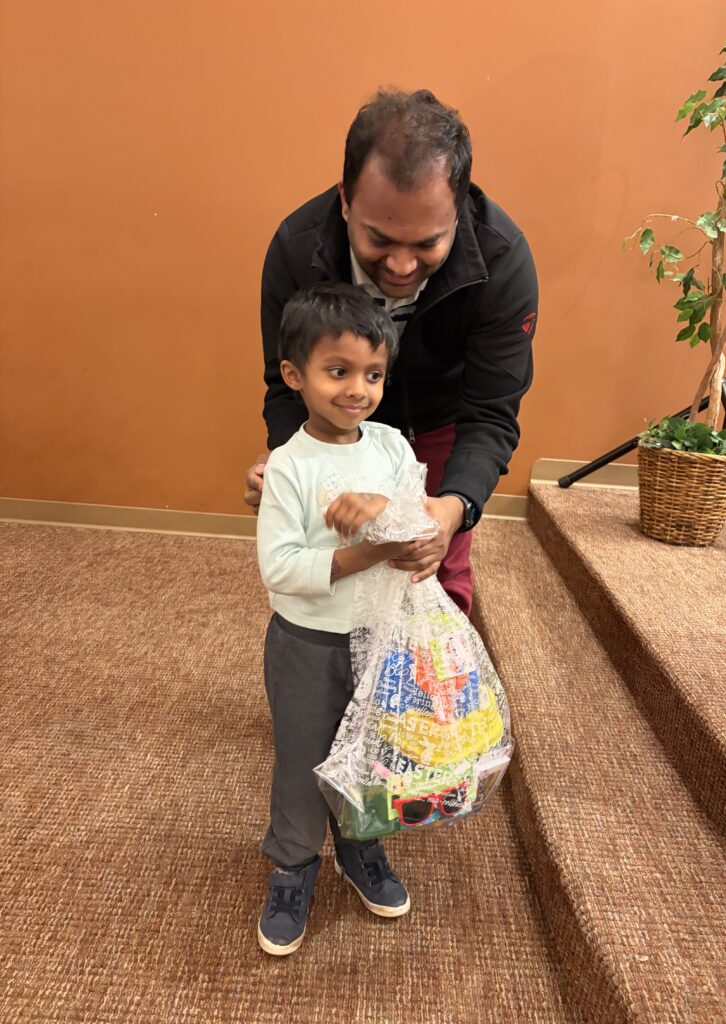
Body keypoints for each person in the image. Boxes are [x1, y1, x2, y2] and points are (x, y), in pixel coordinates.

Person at [246, 87, 538, 616]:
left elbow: (491, 413)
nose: (402, 266)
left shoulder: (503, 259)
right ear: (344, 199)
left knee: (435, 574)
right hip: (334, 425)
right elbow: (284, 384)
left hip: (443, 418)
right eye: (379, 239)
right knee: (334, 560)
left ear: (459, 209)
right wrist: (295, 469)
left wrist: (454, 508)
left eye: (427, 244)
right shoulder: (296, 246)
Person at [256, 282, 422, 956]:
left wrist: (386, 504)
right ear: (295, 375)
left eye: (373, 373)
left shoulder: (388, 445)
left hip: (378, 637)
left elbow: (415, 502)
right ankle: (293, 866)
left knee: (369, 755)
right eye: (338, 371)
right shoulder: (289, 468)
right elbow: (283, 567)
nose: (358, 389)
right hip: (306, 644)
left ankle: (362, 849)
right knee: (303, 761)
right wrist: (368, 551)